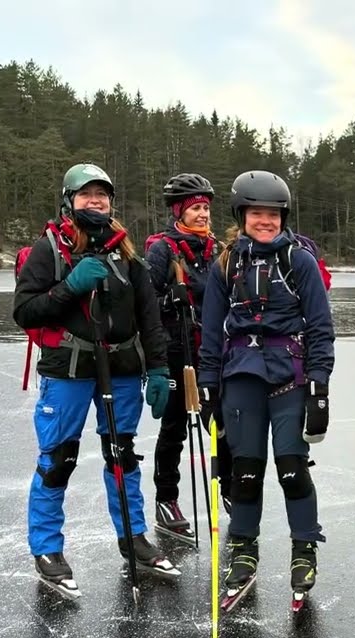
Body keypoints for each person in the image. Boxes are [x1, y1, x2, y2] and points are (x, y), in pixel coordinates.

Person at [13, 162, 179, 599]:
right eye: (86, 194)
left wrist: (158, 368)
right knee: (58, 459)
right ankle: (47, 549)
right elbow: (25, 311)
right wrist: (69, 286)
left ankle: (134, 538)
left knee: (122, 456)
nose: (96, 201)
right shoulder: (50, 248)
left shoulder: (126, 253)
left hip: (122, 370)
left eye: (102, 194)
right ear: (69, 200)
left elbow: (149, 317)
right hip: (67, 370)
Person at [197, 170, 335, 611]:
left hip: (288, 376)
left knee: (292, 467)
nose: (266, 221)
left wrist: (319, 387)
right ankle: (243, 550)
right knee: (246, 472)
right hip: (240, 376)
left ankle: (304, 550)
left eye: (273, 214)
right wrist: (207, 383)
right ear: (241, 215)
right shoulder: (226, 264)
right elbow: (211, 331)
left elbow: (320, 327)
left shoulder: (300, 262)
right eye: (257, 213)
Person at [144, 172, 224, 544]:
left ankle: (229, 490)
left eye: (206, 208)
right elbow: (143, 304)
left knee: (220, 425)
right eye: (195, 208)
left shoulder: (217, 250)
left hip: (211, 352)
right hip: (176, 351)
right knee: (175, 428)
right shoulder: (162, 249)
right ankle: (167, 499)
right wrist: (168, 301)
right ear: (179, 212)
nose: (203, 214)